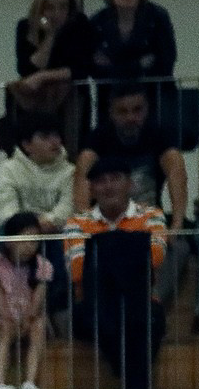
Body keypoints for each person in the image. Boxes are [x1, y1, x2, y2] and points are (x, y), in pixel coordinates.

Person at [74, 82, 188, 307]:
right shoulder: (98, 138)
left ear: (147, 110)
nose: (131, 117)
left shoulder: (159, 135)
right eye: (123, 111)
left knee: (180, 247)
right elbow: (82, 176)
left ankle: (149, 303)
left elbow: (177, 173)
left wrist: (176, 225)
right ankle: (104, 306)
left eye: (137, 110)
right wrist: (84, 222)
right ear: (111, 113)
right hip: (106, 225)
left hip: (148, 224)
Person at [65, 156, 167, 389]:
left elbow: (155, 256)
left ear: (129, 184)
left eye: (115, 179)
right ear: (91, 188)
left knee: (149, 320)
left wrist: (102, 249)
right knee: (110, 319)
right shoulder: (76, 222)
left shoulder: (152, 214)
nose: (108, 186)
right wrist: (130, 247)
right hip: (93, 304)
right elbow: (77, 269)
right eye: (100, 181)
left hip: (140, 302)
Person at [9, 0, 94, 143]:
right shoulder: (25, 27)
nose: (57, 13)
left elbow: (81, 68)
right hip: (35, 104)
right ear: (40, 9)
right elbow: (27, 69)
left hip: (71, 102)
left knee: (72, 145)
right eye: (50, 7)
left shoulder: (80, 25)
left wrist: (43, 77)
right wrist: (50, 36)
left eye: (63, 7)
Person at [0, 212, 54, 389]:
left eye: (33, 241)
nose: (28, 247)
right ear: (8, 241)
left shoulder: (43, 266)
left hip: (29, 318)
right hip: (3, 318)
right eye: (23, 240)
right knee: (5, 328)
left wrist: (28, 318)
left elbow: (38, 299)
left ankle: (30, 383)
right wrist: (9, 317)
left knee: (39, 325)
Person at [87, 0, 175, 97]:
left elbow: (166, 62)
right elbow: (94, 68)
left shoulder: (157, 17)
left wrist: (115, 68)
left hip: (155, 97)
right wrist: (140, 65)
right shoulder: (97, 22)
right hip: (110, 99)